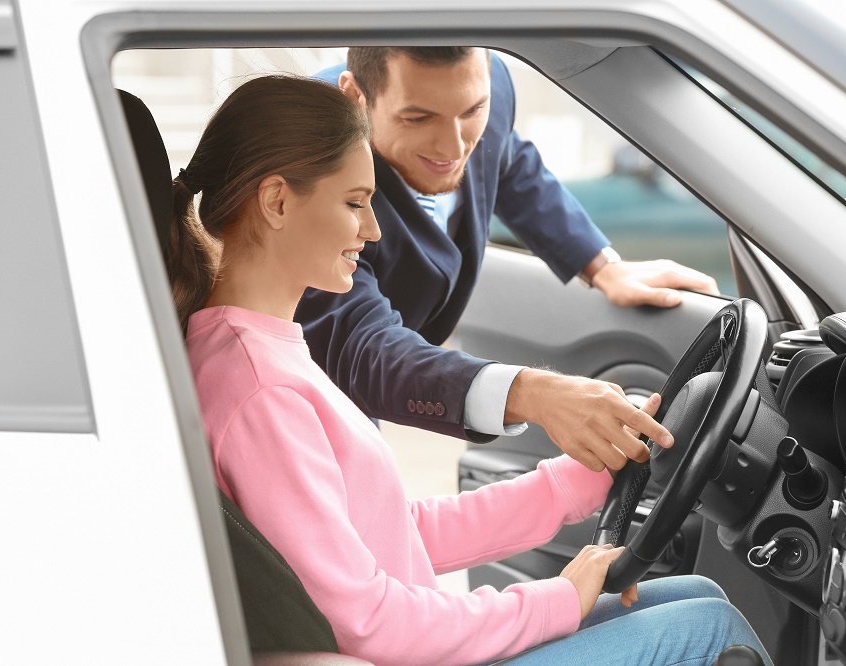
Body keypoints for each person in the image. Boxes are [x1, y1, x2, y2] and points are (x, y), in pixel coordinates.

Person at [170, 73, 770, 665]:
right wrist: (554, 600)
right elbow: (366, 621)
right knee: (712, 629)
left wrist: (577, 482)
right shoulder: (261, 388)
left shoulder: (259, 353)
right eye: (354, 203)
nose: (373, 229)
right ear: (277, 201)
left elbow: (395, 535)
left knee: (698, 595)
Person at [297, 46, 719, 474]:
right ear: (356, 96)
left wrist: (601, 265)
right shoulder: (306, 164)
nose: (454, 146)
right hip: (313, 394)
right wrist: (532, 393)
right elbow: (360, 348)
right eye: (418, 118)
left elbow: (508, 160)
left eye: (472, 111)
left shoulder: (489, 80)